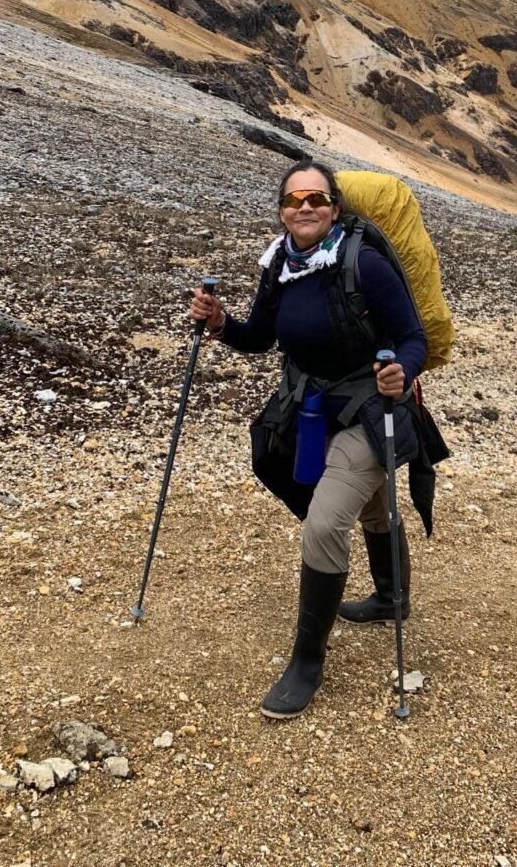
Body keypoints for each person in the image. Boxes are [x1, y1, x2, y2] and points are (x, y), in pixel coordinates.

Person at [189, 160, 428, 719]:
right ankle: (391, 597)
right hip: (313, 407)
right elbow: (260, 338)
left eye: (317, 198)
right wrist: (220, 323)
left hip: (370, 407)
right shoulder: (280, 263)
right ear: (281, 211)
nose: (305, 207)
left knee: (324, 523)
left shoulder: (365, 264)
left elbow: (412, 336)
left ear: (334, 208)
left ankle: (306, 663)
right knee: (359, 497)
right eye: (294, 199)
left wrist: (402, 372)